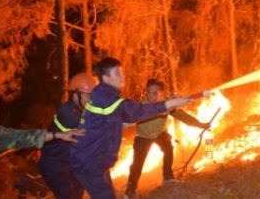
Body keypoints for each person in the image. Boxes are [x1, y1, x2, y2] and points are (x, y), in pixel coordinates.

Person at [70, 57, 195, 199]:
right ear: (105, 77)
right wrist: (170, 102)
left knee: (107, 194)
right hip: (89, 162)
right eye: (117, 73)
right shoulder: (107, 99)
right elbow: (132, 111)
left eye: (121, 72)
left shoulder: (102, 94)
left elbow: (108, 120)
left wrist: (122, 123)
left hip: (94, 159)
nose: (122, 75)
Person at [125, 79, 210, 199]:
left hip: (160, 133)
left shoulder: (166, 105)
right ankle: (131, 189)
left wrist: (200, 124)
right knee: (137, 164)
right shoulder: (141, 106)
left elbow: (182, 116)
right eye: (148, 92)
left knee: (168, 147)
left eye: (155, 93)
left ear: (161, 94)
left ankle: (168, 178)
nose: (151, 96)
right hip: (143, 136)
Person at [37, 72, 98, 199]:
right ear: (76, 94)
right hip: (54, 165)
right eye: (88, 96)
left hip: (68, 162)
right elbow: (92, 129)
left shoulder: (81, 108)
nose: (92, 100)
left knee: (78, 191)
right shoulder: (68, 112)